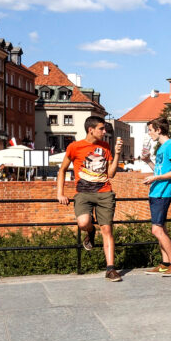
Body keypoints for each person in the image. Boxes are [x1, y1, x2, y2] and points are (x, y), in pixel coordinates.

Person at [56, 116, 123, 282]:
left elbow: (111, 174)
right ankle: (91, 232)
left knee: (107, 230)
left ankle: (110, 269)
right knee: (83, 223)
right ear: (90, 130)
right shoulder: (75, 147)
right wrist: (60, 193)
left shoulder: (106, 146)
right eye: (101, 128)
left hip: (104, 192)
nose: (104, 131)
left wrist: (118, 154)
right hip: (83, 193)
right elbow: (62, 169)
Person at [142, 118, 171, 277]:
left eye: (151, 130)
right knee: (162, 229)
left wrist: (155, 179)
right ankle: (165, 263)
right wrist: (148, 162)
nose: (149, 133)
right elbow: (159, 170)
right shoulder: (161, 148)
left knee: (156, 230)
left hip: (162, 192)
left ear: (159, 129)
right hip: (156, 192)